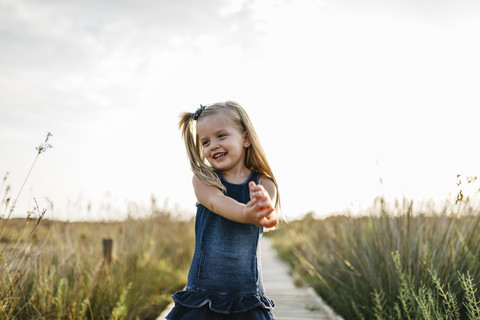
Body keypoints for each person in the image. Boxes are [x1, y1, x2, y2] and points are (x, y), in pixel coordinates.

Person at [166, 101, 281, 320]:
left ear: (246, 138)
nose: (213, 145)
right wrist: (248, 213)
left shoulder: (264, 183)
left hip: (247, 295)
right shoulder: (205, 180)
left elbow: (269, 215)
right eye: (206, 142)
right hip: (204, 294)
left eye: (221, 136)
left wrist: (266, 213)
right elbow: (217, 202)